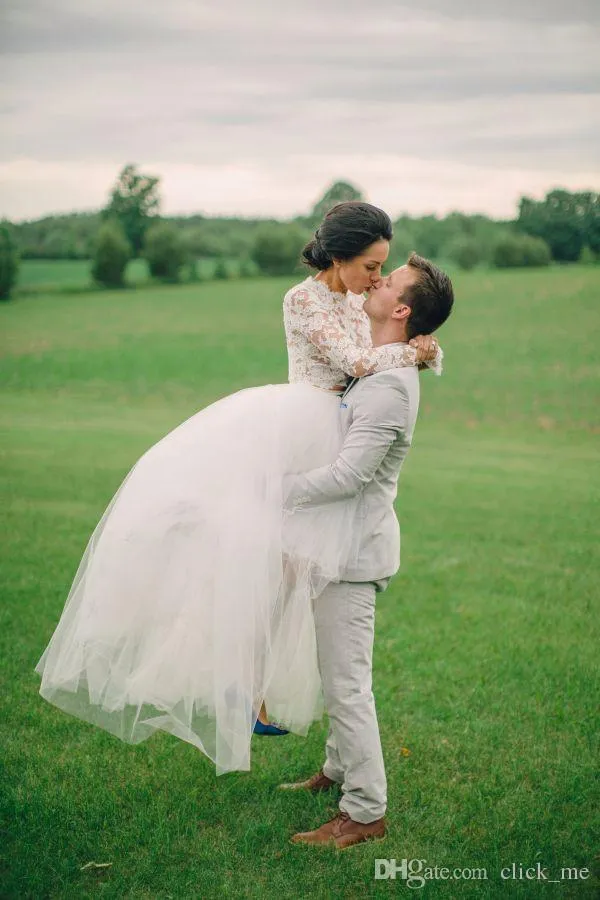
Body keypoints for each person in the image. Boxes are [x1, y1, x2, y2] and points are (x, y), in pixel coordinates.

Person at [34, 202, 442, 776]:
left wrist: (421, 345)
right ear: (340, 256)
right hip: (302, 428)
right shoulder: (302, 300)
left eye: (382, 269)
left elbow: (375, 356)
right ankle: (240, 687)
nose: (377, 277)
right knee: (252, 565)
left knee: (300, 579)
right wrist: (418, 349)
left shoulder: (359, 299)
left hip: (339, 430)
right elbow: (354, 360)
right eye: (371, 266)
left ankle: (260, 696)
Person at [279, 256, 454, 849]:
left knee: (347, 684)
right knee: (338, 673)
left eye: (389, 282)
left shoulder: (387, 390)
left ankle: (365, 811)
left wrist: (276, 490)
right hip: (340, 544)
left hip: (353, 557)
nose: (376, 281)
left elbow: (349, 476)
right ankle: (335, 770)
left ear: (402, 310)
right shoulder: (380, 366)